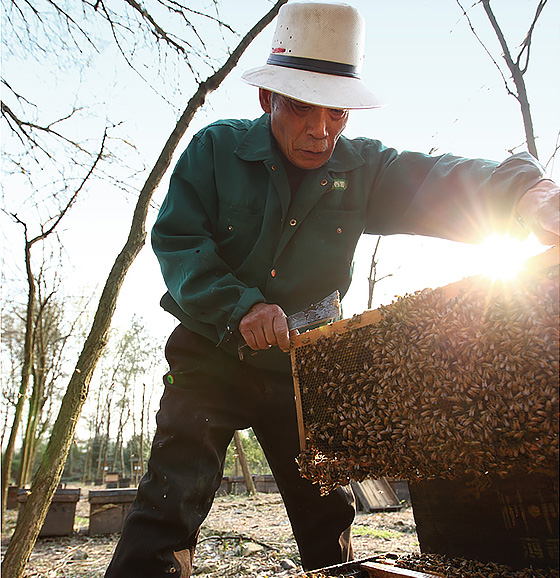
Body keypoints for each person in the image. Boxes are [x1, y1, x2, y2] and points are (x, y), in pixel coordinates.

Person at [105, 2, 559, 577]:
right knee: (170, 499)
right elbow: (177, 242)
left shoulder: (362, 168)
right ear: (268, 99)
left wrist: (523, 194)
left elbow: (438, 178)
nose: (320, 131)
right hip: (210, 356)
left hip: (303, 371)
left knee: (329, 519)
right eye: (301, 109)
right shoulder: (215, 151)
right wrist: (240, 306)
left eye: (336, 113)